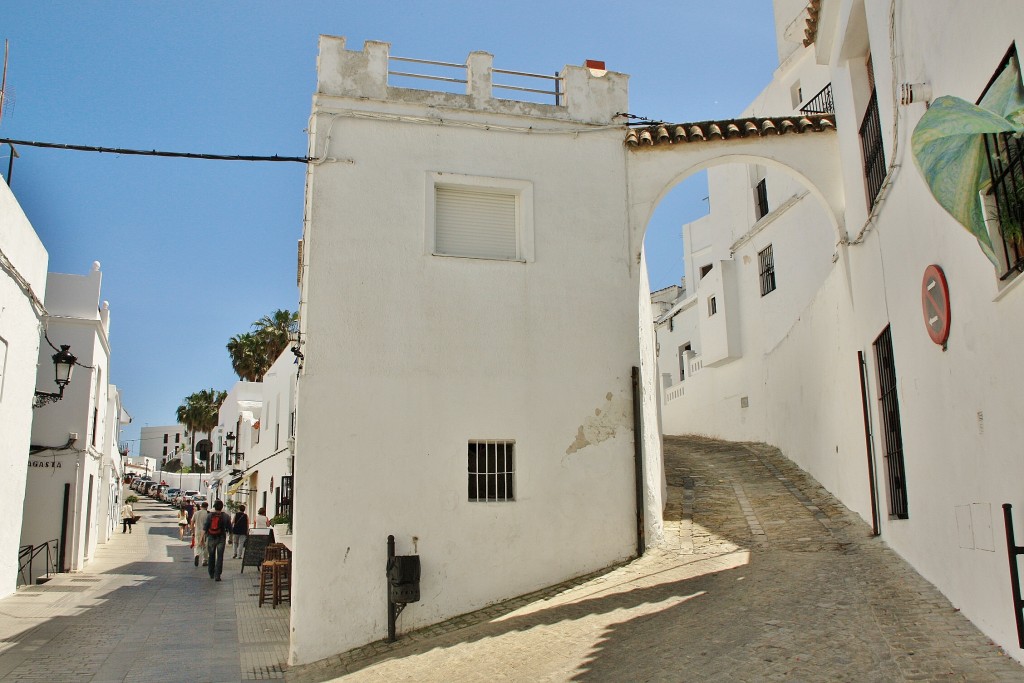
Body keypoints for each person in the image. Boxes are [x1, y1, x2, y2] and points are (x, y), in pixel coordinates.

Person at [204, 500, 231, 581]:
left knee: (211, 556)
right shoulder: (226, 516)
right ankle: (217, 575)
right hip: (221, 538)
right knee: (220, 557)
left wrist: (204, 537)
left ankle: (211, 573)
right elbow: (230, 528)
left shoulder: (209, 515)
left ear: (214, 507)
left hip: (211, 537)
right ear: (222, 507)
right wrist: (230, 538)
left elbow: (205, 527)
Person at [192, 501, 210, 567]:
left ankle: (197, 554)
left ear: (201, 506)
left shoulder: (196, 513)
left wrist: (192, 531)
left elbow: (192, 522)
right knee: (205, 546)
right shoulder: (208, 514)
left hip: (197, 531)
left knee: (197, 545)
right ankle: (205, 560)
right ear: (207, 507)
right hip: (205, 532)